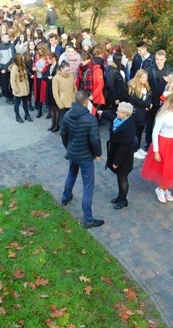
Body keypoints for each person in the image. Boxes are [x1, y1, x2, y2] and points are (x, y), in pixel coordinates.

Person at [60, 90, 104, 228]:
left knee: (71, 174)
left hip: (73, 152)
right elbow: (95, 139)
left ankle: (66, 197)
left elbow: (63, 134)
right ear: (86, 102)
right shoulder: (90, 119)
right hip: (85, 157)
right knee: (88, 186)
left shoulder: (67, 115)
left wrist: (69, 148)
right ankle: (88, 219)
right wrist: (98, 153)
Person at [141, 90, 173, 203]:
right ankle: (161, 189)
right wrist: (156, 151)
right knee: (165, 166)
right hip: (164, 142)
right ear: (170, 101)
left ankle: (165, 188)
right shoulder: (162, 115)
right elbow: (155, 133)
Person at [101, 102, 137, 210]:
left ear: (125, 114)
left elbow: (123, 148)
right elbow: (113, 119)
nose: (116, 112)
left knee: (122, 178)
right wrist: (103, 113)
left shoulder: (128, 128)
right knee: (120, 177)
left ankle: (123, 200)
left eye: (118, 111)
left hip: (123, 158)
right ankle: (120, 197)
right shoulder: (122, 120)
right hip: (118, 153)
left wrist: (117, 162)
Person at [144, 50, 173, 151]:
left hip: (165, 102)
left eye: (161, 59)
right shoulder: (149, 70)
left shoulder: (170, 70)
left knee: (164, 123)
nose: (159, 61)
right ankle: (148, 143)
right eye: (157, 59)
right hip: (153, 101)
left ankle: (161, 144)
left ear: (165, 59)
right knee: (150, 123)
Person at [127, 69, 152, 160]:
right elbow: (134, 100)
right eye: (142, 77)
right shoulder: (133, 86)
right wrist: (147, 105)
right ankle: (133, 150)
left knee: (140, 131)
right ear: (138, 77)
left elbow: (149, 96)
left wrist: (148, 104)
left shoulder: (146, 85)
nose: (144, 79)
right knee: (135, 132)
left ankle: (137, 148)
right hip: (136, 112)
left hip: (144, 113)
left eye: (146, 77)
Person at [52, 60, 76, 132]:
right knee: (63, 119)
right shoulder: (56, 78)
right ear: (61, 69)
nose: (68, 72)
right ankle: (63, 133)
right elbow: (55, 93)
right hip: (63, 103)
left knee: (72, 119)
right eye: (66, 70)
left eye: (69, 70)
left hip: (72, 101)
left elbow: (74, 87)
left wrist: (77, 98)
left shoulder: (71, 75)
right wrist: (60, 105)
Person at [10, 53, 33, 123]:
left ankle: (27, 115)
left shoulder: (23, 66)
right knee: (17, 103)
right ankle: (17, 116)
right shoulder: (14, 68)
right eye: (21, 57)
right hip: (19, 90)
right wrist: (16, 89)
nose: (23, 58)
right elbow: (12, 80)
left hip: (25, 89)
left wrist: (28, 87)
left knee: (25, 103)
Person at [0, 32, 15, 103]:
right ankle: (7, 97)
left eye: (7, 37)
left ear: (9, 38)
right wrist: (1, 68)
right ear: (2, 38)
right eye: (4, 37)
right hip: (4, 68)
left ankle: (12, 96)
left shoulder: (12, 45)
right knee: (5, 83)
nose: (6, 39)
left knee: (12, 83)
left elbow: (14, 55)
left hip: (12, 67)